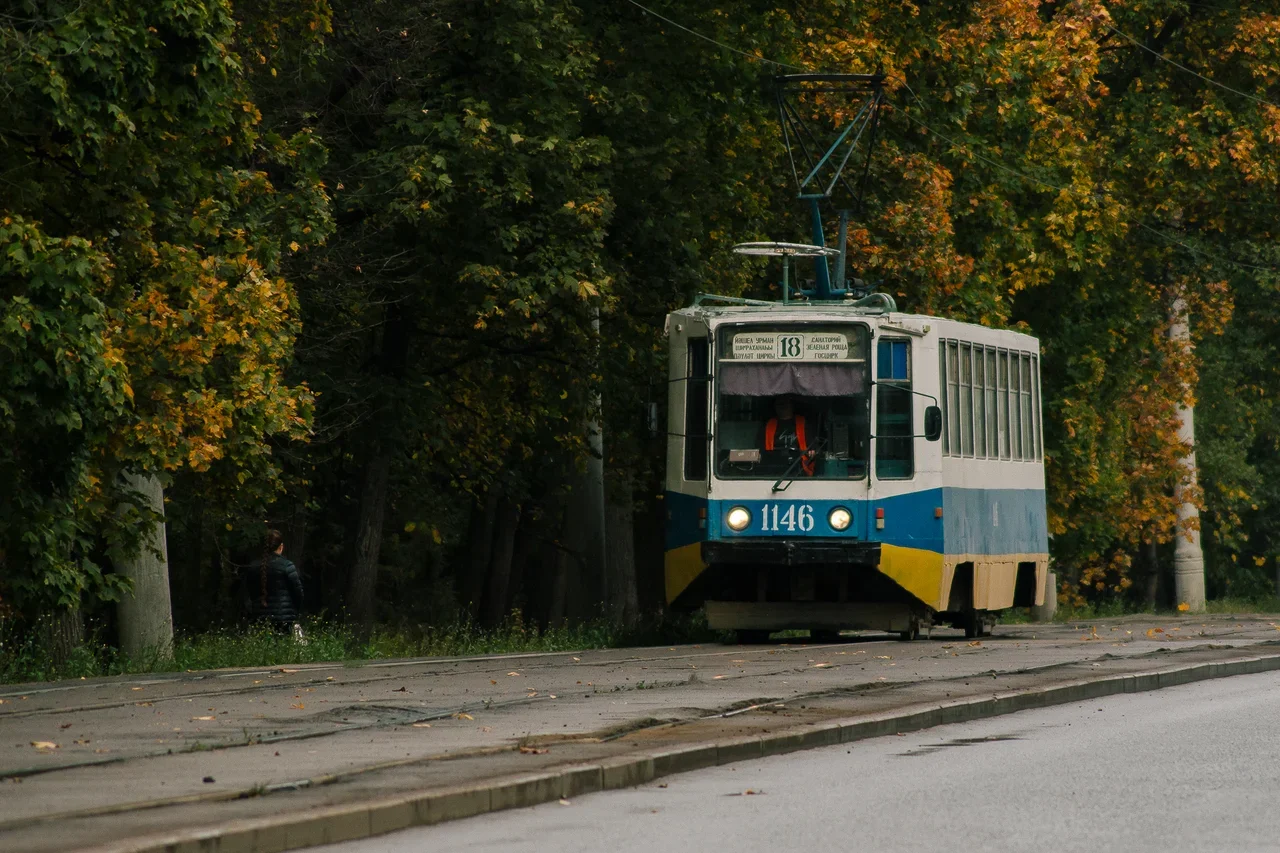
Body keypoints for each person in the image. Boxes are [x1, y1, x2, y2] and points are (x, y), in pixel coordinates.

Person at [257, 530, 304, 635]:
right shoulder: (287, 566)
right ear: (281, 546)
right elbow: (298, 593)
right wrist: (294, 611)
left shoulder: (254, 567)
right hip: (284, 618)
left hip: (259, 618)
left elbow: (251, 593)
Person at [764, 396, 815, 475]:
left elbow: (813, 446)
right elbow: (760, 450)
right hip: (773, 469)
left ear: (792, 405)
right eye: (780, 404)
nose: (783, 406)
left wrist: (812, 452)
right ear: (775, 406)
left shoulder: (803, 422)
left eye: (785, 403)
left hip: (800, 469)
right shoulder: (769, 424)